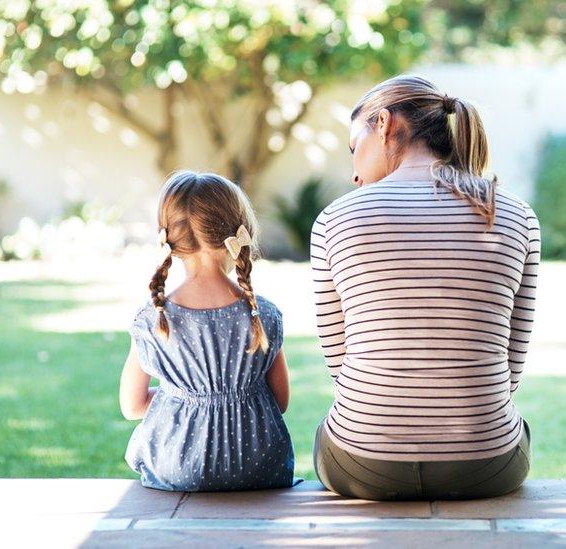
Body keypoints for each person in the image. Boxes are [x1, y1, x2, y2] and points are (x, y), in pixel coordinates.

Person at [310, 74, 541, 500]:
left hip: (363, 465)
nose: (354, 173)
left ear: (383, 123)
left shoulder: (334, 219)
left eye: (353, 148)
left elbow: (340, 366)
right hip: (486, 465)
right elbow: (511, 364)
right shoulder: (515, 214)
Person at [119, 170, 296, 492]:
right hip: (259, 467)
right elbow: (280, 401)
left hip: (177, 469)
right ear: (240, 231)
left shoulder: (153, 318)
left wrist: (183, 396)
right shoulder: (264, 314)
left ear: (169, 238)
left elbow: (132, 407)